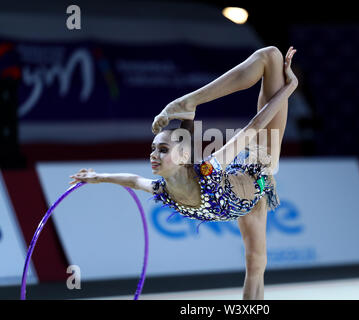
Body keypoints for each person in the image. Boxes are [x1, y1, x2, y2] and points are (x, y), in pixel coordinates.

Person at [69, 46, 298, 300]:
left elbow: (254, 126)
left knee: (272, 56)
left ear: (183, 156)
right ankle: (189, 105)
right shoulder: (164, 190)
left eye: (163, 149)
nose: (154, 155)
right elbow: (133, 180)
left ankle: (190, 101)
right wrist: (97, 177)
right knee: (256, 266)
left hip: (258, 163)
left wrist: (290, 88)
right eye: (153, 149)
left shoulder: (208, 168)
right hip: (244, 199)